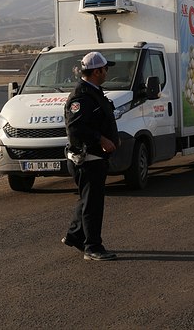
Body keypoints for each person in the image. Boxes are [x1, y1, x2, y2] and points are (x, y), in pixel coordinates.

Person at [62, 51, 120, 261]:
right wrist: (101, 139)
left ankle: (75, 236)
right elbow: (75, 128)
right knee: (92, 205)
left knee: (87, 200)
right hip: (88, 159)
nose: (107, 72)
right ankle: (93, 247)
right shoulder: (81, 96)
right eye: (105, 69)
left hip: (96, 158)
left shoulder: (93, 91)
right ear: (97, 71)